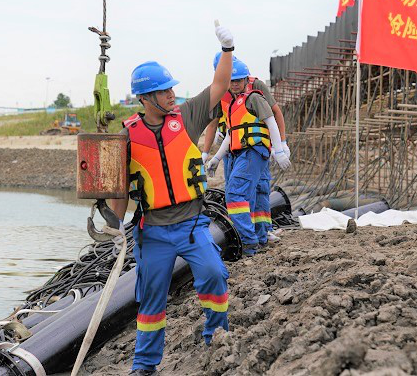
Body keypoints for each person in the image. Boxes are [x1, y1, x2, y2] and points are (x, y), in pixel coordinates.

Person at [109, 23, 235, 376]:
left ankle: (216, 337)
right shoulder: (126, 136)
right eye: (163, 91)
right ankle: (144, 366)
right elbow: (119, 188)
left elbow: (220, 85)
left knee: (213, 274)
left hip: (192, 224)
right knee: (151, 300)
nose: (171, 95)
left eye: (171, 89)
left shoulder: (186, 117)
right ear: (145, 98)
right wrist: (115, 227)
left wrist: (227, 50)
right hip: (152, 232)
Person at [206, 60, 291, 256]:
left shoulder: (254, 98)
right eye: (232, 81)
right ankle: (259, 237)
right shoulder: (234, 104)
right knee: (248, 194)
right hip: (241, 153)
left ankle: (248, 241)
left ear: (246, 80)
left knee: (236, 193)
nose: (235, 84)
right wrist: (216, 158)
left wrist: (279, 149)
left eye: (238, 80)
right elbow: (231, 134)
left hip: (253, 151)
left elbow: (271, 121)